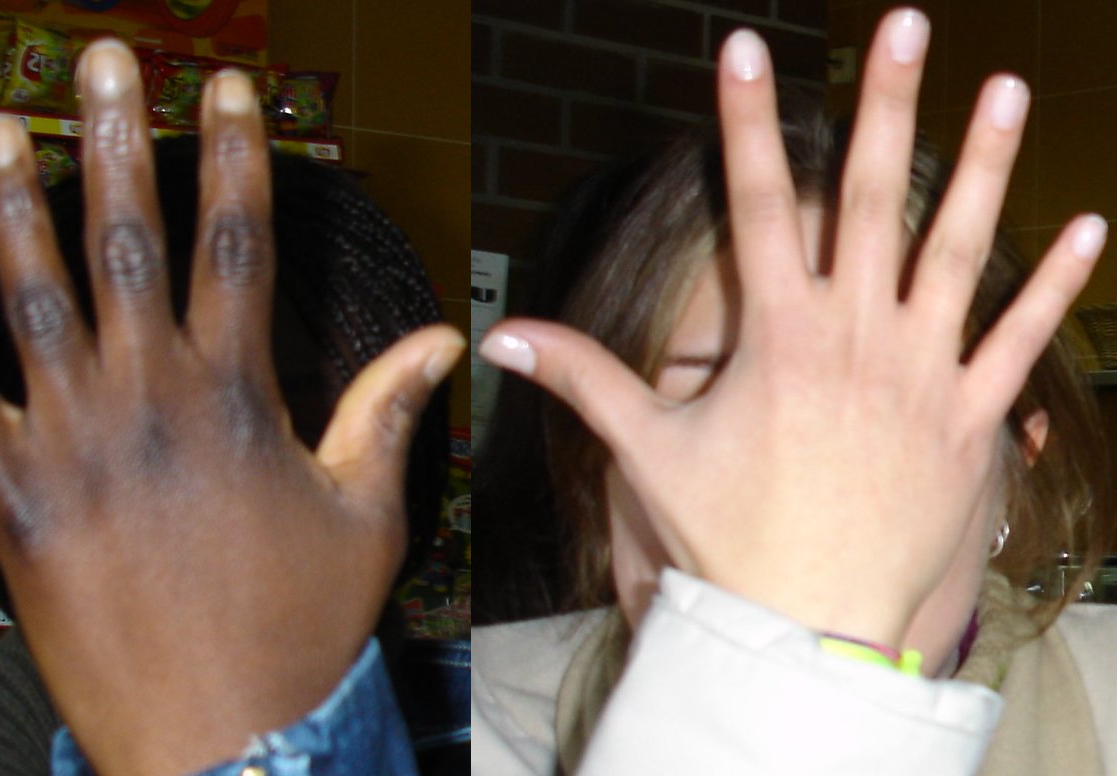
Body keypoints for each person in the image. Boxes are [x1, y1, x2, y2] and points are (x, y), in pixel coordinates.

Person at [474, 8, 1117, 775]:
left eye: (880, 419)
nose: (809, 498)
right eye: (718, 401)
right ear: (606, 455)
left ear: (1016, 469)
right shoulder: (475, 720)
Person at [0, 39, 465, 776]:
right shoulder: (18, 715)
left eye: (287, 413)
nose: (206, 474)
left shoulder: (490, 718)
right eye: (128, 433)